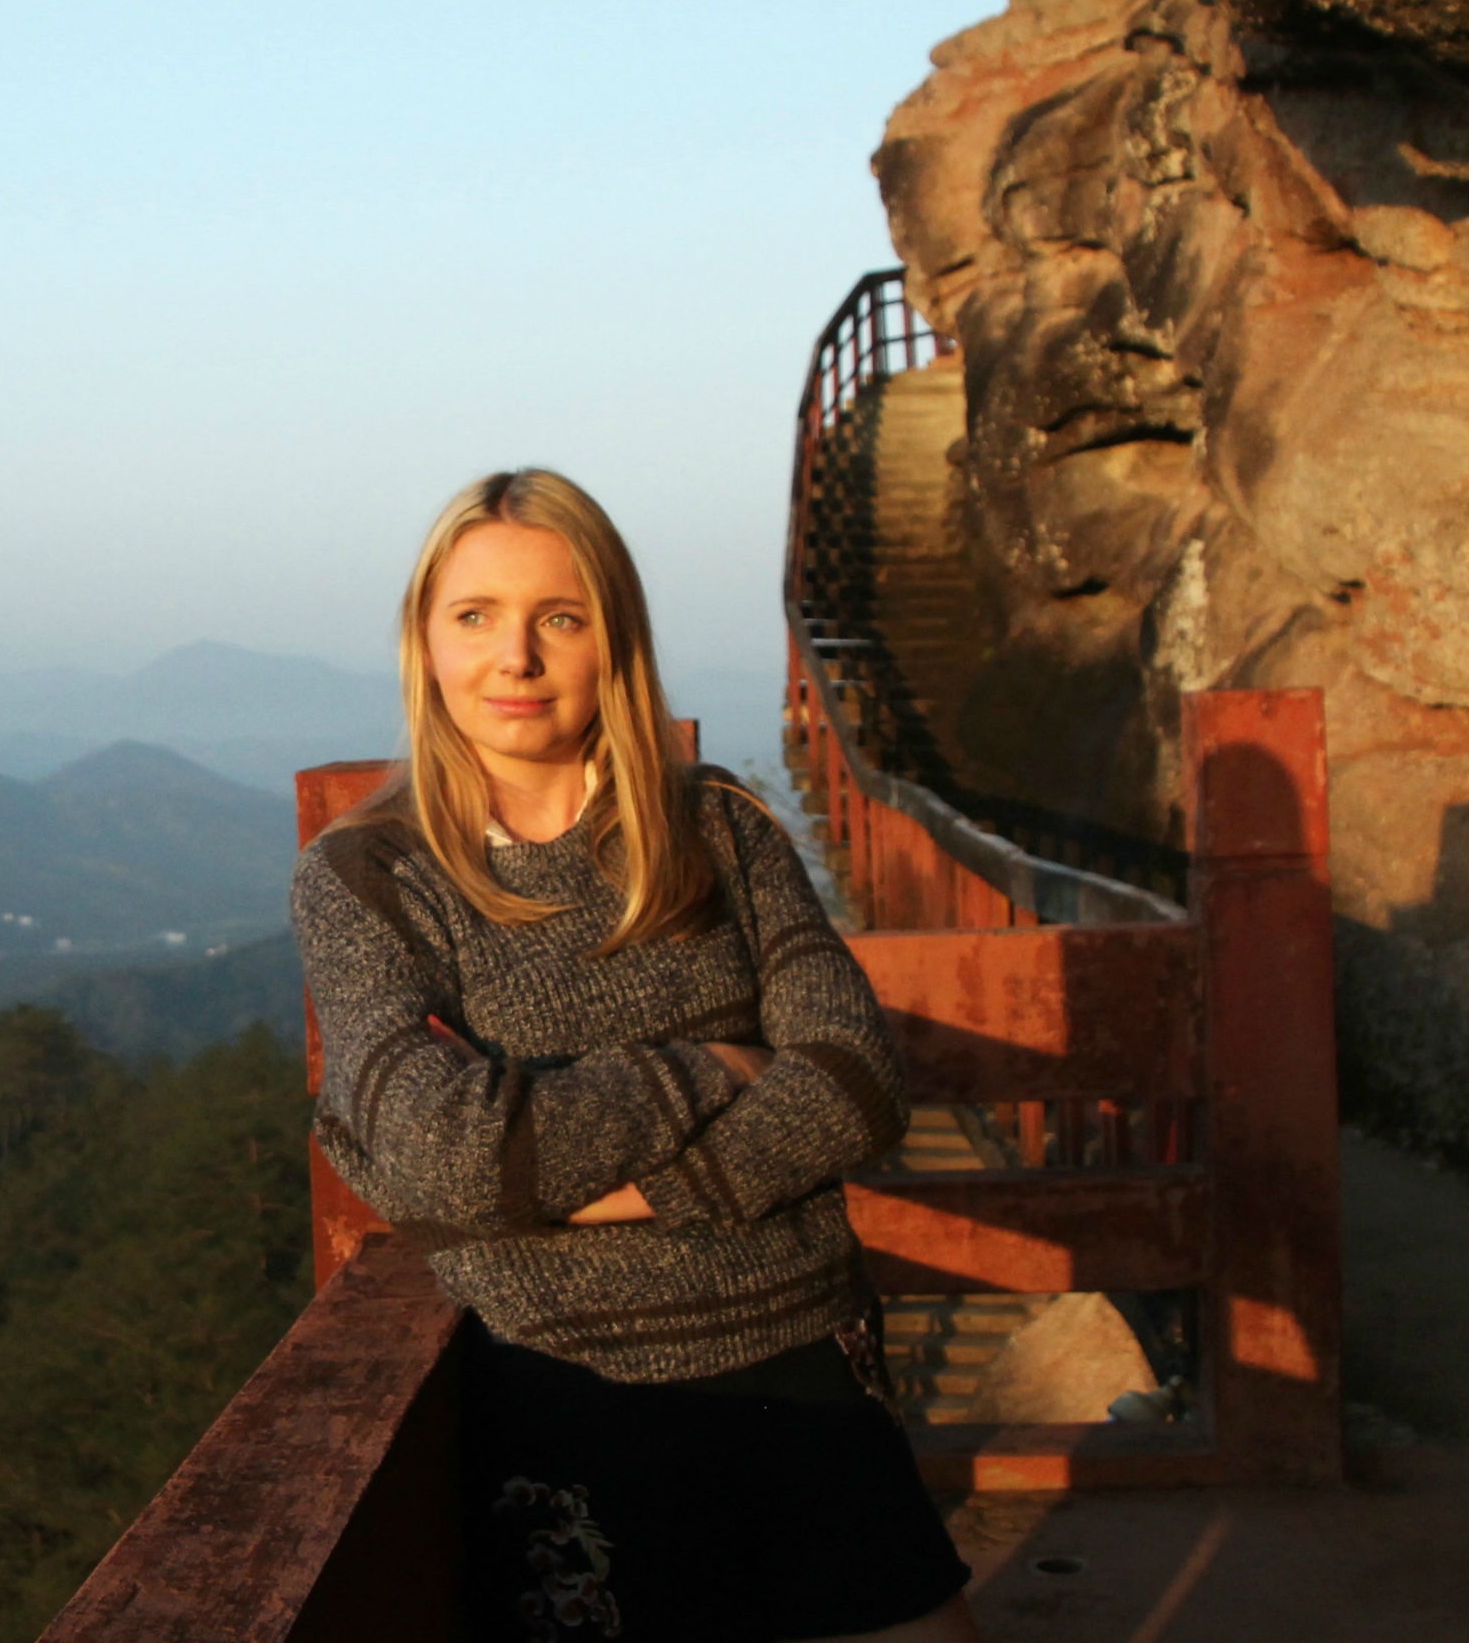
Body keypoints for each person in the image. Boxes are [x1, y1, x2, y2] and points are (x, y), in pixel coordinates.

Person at [293, 468, 982, 1643]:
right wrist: (715, 1068)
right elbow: (452, 1160)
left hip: (798, 1352)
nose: (514, 658)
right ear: (424, 640)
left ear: (613, 640)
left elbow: (857, 1079)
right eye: (474, 618)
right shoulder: (369, 879)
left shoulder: (719, 826)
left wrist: (606, 1189)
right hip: (567, 1385)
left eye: (558, 618)